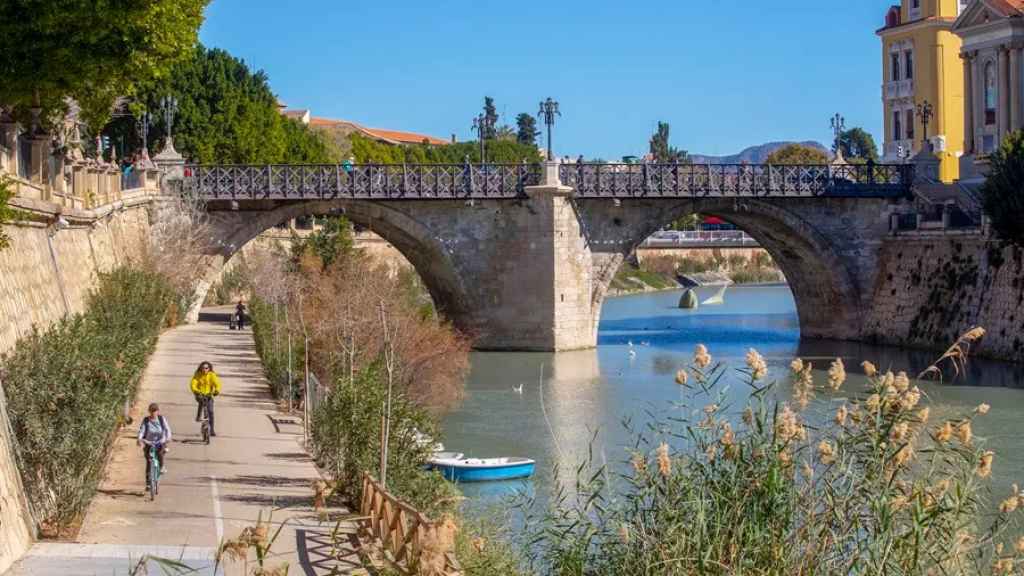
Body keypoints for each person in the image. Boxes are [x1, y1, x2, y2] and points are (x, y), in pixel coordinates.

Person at [137, 403, 171, 491]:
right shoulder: (146, 420)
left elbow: (167, 429)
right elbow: (142, 430)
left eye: (155, 411)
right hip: (149, 442)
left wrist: (168, 438)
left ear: (157, 411)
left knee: (160, 453)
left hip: (160, 441)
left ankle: (162, 467)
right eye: (151, 411)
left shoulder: (161, 419)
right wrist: (140, 439)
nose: (153, 413)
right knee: (149, 461)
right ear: (149, 412)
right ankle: (148, 484)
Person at [190, 361, 222, 436]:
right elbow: (193, 384)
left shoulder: (212, 375)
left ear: (209, 368)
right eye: (203, 368)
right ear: (200, 368)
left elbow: (217, 384)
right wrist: (196, 391)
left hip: (209, 395)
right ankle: (198, 416)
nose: (205, 369)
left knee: (211, 411)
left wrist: (216, 391)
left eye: (206, 368)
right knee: (201, 401)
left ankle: (212, 430)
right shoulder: (198, 374)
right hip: (200, 394)